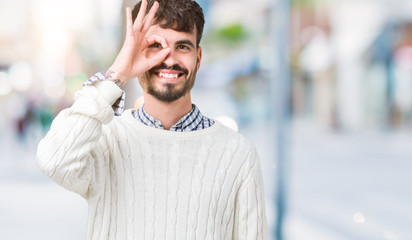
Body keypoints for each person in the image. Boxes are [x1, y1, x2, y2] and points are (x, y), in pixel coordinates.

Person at [36, 0, 269, 239]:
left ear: (198, 58)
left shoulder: (238, 154)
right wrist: (118, 73)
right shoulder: (105, 141)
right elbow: (54, 161)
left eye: (182, 47)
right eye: (155, 45)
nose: (168, 59)